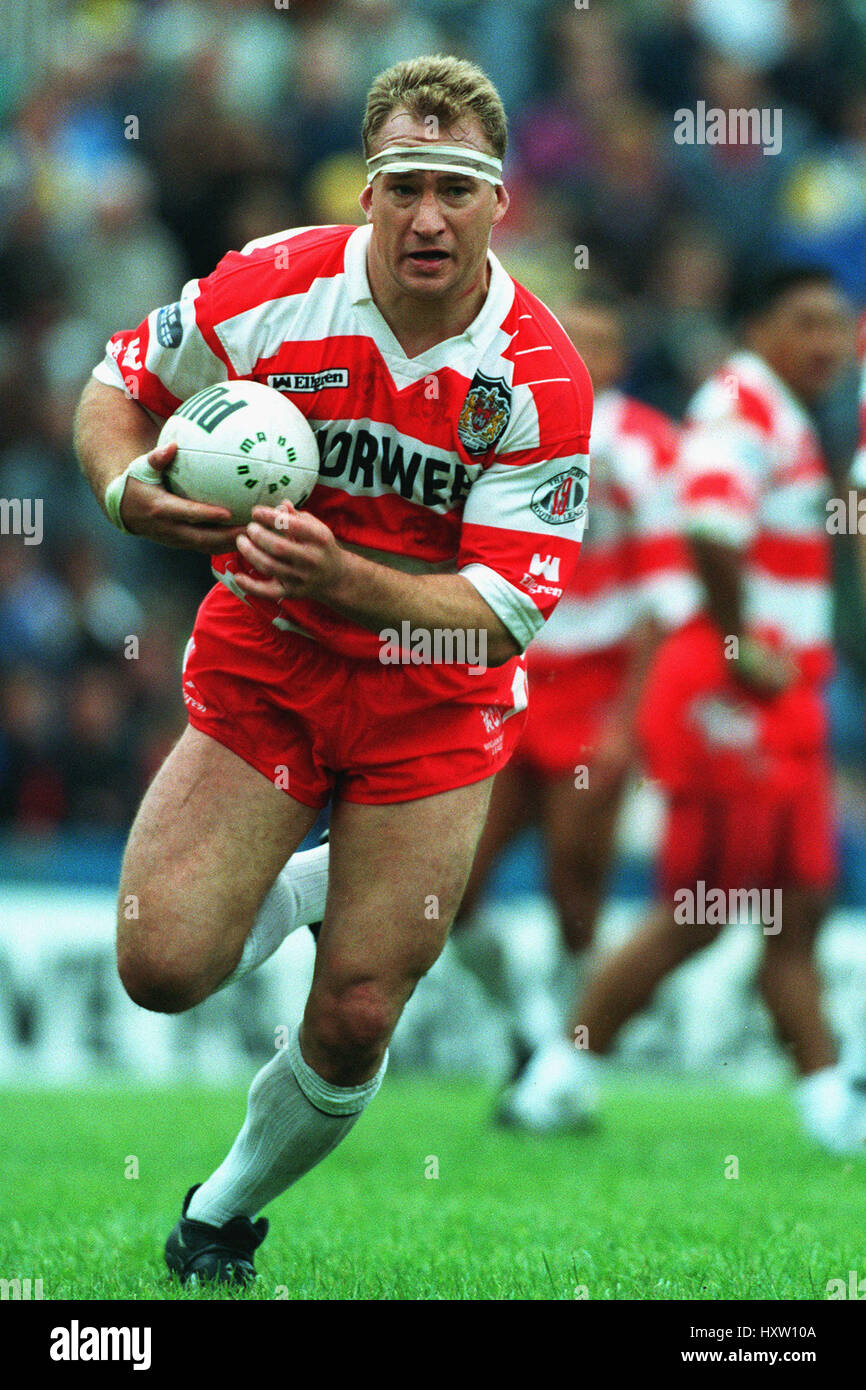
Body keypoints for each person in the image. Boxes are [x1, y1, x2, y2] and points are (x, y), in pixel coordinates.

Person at [73, 55, 593, 1284]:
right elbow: (116, 384)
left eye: (455, 190)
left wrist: (342, 575)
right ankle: (318, 882)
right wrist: (122, 489)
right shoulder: (273, 286)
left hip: (434, 694)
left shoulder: (537, 376)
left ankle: (217, 1217)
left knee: (361, 1007)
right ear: (364, 192)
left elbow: (502, 614)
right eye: (403, 186)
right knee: (160, 964)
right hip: (274, 664)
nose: (428, 217)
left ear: (496, 203)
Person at [499, 265, 863, 1151]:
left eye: (836, 325)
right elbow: (708, 531)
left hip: (782, 691)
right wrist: (745, 643)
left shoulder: (787, 415)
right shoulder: (742, 405)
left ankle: (828, 1103)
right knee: (698, 911)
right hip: (729, 689)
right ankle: (557, 1076)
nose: (825, 344)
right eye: (804, 323)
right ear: (756, 329)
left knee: (800, 902)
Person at [450, 294, 699, 1114]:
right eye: (572, 336)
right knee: (451, 888)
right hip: (509, 672)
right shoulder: (508, 415)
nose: (583, 352)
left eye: (600, 341)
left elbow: (670, 599)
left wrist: (629, 721)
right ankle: (530, 1033)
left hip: (598, 687)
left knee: (575, 887)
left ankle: (568, 1063)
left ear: (621, 357)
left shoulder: (649, 447)